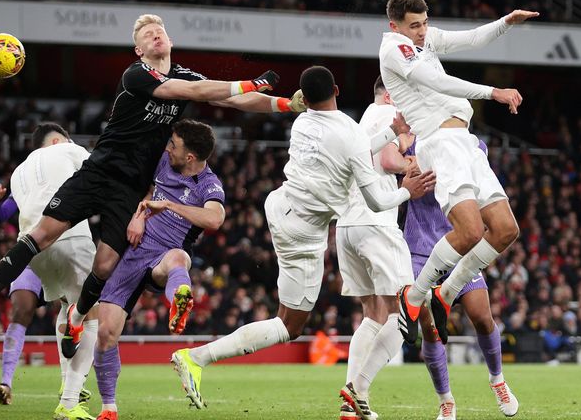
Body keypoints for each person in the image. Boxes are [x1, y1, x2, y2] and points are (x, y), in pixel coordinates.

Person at [0, 13, 302, 353]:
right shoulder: (137, 75)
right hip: (98, 173)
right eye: (147, 34)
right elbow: (192, 91)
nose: (155, 35)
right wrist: (249, 81)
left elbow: (231, 99)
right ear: (139, 51)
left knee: (104, 266)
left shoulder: (184, 74)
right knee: (41, 235)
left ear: (170, 40)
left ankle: (75, 319)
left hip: (130, 189)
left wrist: (285, 103)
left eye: (159, 30)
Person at [169, 66, 435, 410]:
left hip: (281, 206)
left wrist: (389, 132)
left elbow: (354, 147)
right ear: (337, 88)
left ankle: (199, 359)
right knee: (289, 325)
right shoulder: (347, 131)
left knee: (292, 315)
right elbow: (377, 199)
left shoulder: (303, 122)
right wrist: (406, 193)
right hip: (303, 231)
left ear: (305, 99)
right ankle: (197, 358)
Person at [378, 0, 538, 345]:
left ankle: (445, 294)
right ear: (395, 27)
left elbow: (469, 39)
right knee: (468, 232)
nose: (422, 31)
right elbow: (435, 81)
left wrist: (505, 23)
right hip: (440, 142)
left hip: (464, 142)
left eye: (425, 23)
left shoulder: (424, 39)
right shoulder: (394, 48)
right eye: (414, 26)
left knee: (504, 229)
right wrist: (491, 91)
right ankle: (416, 295)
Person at [94, 120, 225, 420]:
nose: (168, 148)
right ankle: (109, 408)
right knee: (105, 333)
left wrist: (168, 206)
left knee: (179, 258)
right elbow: (145, 189)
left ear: (190, 157)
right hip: (133, 252)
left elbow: (215, 219)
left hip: (165, 256)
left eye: (174, 145)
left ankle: (180, 296)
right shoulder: (164, 160)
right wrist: (140, 212)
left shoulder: (209, 184)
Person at [384, 135, 518, 419]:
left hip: (461, 247)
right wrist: (408, 170)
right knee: (431, 330)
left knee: (481, 316)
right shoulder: (408, 145)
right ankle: (446, 400)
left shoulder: (472, 143)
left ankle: (498, 380)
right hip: (420, 251)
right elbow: (391, 167)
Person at [0, 123, 100, 419]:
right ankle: (61, 393)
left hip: (33, 250)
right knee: (40, 310)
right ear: (57, 141)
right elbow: (2, 214)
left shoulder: (23, 172)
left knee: (66, 304)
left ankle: (66, 384)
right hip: (51, 245)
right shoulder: (61, 157)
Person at [336, 76, 427, 420]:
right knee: (405, 311)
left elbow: (383, 154)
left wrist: (403, 146)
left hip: (349, 225)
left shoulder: (364, 121)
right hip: (376, 224)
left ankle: (351, 405)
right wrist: (410, 165)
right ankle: (357, 388)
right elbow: (389, 161)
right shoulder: (383, 113)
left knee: (373, 315)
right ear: (389, 94)